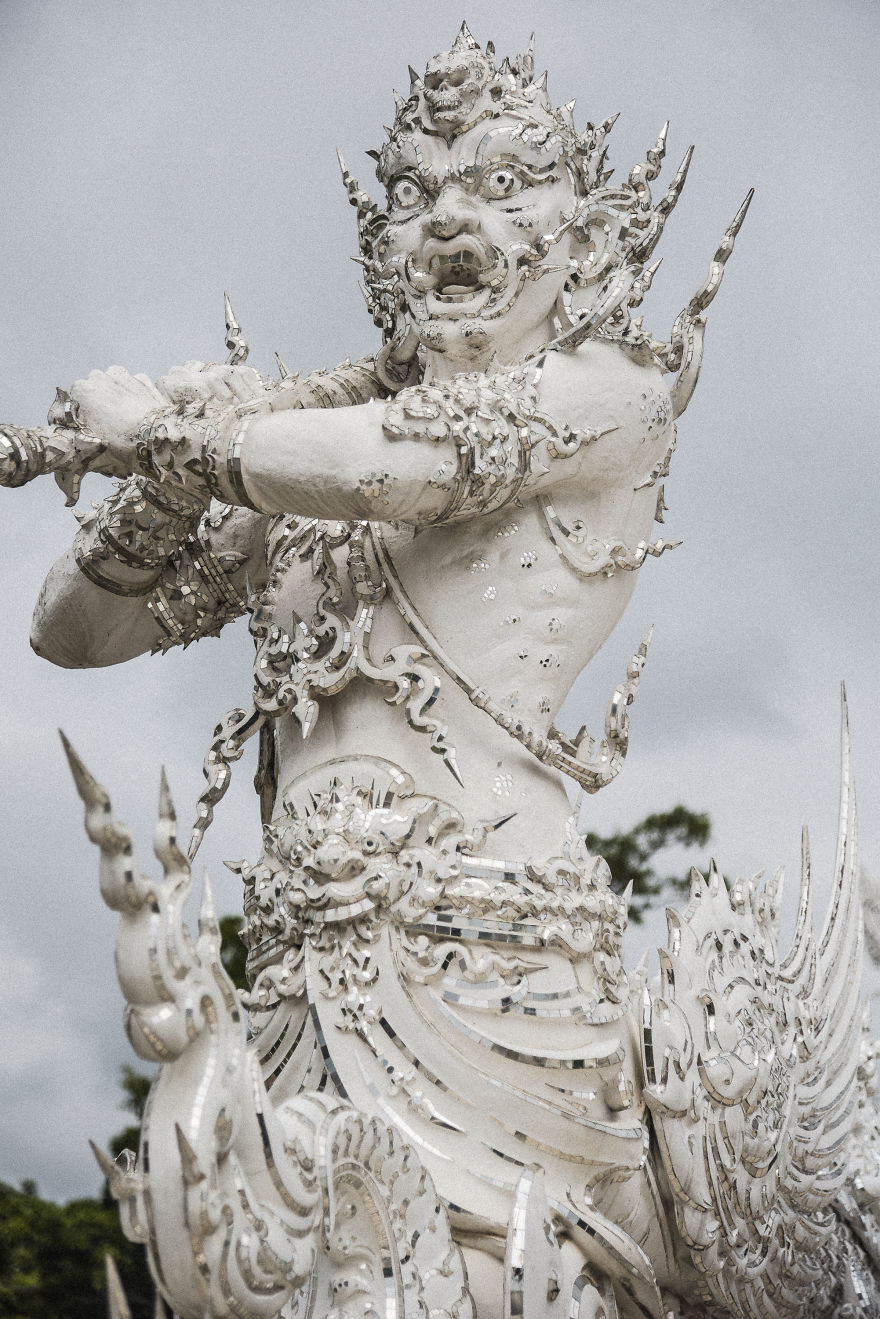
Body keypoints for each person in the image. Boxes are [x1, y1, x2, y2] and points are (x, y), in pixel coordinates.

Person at [19, 27, 852, 1319]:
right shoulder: (285, 464)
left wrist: (188, 432)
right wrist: (172, 472)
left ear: (580, 234)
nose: (453, 219)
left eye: (504, 183)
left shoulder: (607, 393)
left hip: (498, 972)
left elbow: (415, 464)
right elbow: (73, 630)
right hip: (293, 984)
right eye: (415, 193)